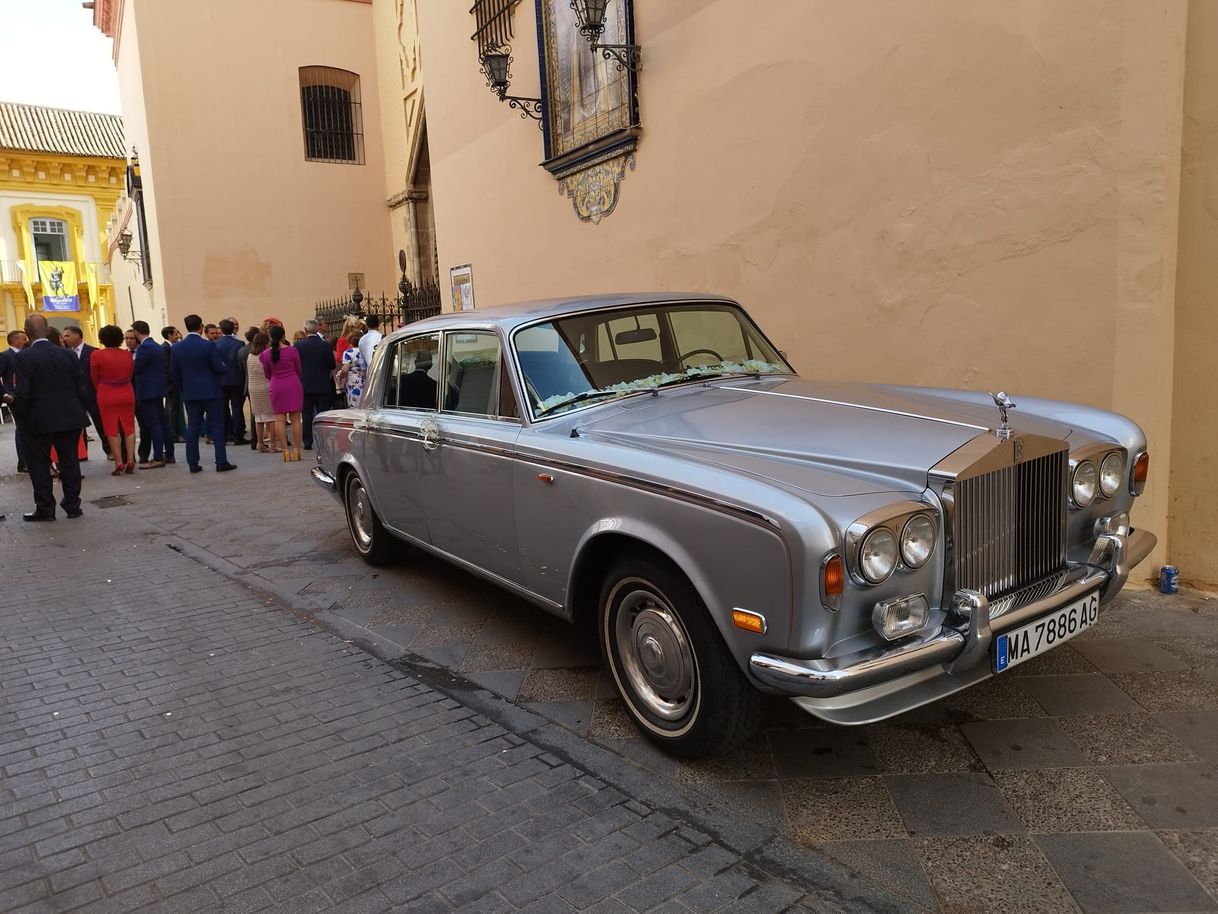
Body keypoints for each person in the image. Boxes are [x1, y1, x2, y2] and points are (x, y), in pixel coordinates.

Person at [10, 314, 89, 520]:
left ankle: (45, 508)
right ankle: (73, 505)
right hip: (69, 417)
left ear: (27, 333)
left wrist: (20, 415)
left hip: (38, 420)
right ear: (47, 330)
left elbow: (24, 392)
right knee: (70, 461)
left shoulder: (23, 357)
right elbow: (81, 387)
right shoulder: (69, 355)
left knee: (39, 464)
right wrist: (80, 412)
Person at [171, 313, 236, 473]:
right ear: (201, 327)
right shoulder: (208, 345)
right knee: (217, 426)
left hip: (191, 393)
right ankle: (221, 461)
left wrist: (184, 388)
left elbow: (174, 372)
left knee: (193, 427)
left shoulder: (177, 347)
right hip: (211, 391)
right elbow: (218, 367)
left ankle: (193, 463)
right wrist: (224, 367)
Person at [90, 325, 138, 476]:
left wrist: (101, 389)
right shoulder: (127, 355)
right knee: (129, 427)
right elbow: (130, 373)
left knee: (112, 430)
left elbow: (94, 377)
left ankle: (118, 462)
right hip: (126, 391)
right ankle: (130, 459)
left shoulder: (96, 354)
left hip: (106, 392)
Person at [62, 325, 109, 460]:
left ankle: (108, 449)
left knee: (100, 423)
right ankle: (82, 453)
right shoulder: (65, 353)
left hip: (92, 394)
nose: (65, 338)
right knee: (78, 425)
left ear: (77, 335)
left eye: (67, 335)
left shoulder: (93, 351)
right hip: (75, 396)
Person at [260, 325, 304, 461]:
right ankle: (296, 450)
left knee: (279, 419)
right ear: (283, 336)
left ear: (269, 337)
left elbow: (267, 373)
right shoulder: (293, 351)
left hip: (276, 385)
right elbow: (298, 369)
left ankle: (285, 451)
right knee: (296, 418)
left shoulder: (265, 354)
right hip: (293, 383)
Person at [131, 320, 171, 468]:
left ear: (136, 332)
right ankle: (169, 454)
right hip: (158, 389)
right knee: (162, 422)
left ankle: (158, 456)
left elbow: (136, 368)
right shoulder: (156, 346)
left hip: (147, 391)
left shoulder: (144, 348)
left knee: (154, 424)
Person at [295, 319, 335, 450]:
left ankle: (307, 441)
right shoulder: (325, 345)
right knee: (322, 413)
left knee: (306, 414)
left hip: (305, 384)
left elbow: (296, 365)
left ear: (305, 330)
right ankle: (323, 440)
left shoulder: (298, 346)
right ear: (317, 329)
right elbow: (331, 365)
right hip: (322, 384)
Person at [214, 318, 247, 446]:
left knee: (223, 408)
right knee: (237, 408)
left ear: (221, 330)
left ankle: (227, 434)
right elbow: (240, 363)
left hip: (221, 380)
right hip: (236, 379)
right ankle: (239, 435)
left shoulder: (215, 344)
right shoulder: (239, 343)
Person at [1, 329, 30, 472]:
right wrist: (4, 394)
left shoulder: (26, 355)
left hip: (26, 395)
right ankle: (23, 462)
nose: (26, 341)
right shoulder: (5, 356)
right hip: (14, 397)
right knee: (22, 428)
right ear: (15, 341)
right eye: (23, 339)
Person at [246, 333, 278, 453]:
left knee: (258, 417)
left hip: (253, 388)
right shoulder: (266, 355)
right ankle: (272, 444)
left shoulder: (250, 356)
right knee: (271, 417)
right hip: (265, 387)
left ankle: (260, 443)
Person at [235, 326, 258, 449]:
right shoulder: (261, 349)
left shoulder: (241, 350)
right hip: (261, 384)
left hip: (248, 384)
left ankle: (255, 439)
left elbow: (240, 369)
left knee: (254, 413)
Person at [161, 326, 184, 443]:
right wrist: (170, 384)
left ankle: (173, 433)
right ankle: (173, 435)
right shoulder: (165, 348)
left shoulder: (169, 347)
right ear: (169, 335)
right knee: (172, 410)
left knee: (172, 409)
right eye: (175, 334)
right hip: (171, 385)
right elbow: (166, 369)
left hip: (172, 384)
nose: (178, 336)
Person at [338, 328, 366, 409]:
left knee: (354, 403)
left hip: (353, 380)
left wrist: (341, 376)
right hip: (365, 378)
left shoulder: (348, 352)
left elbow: (346, 368)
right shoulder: (364, 351)